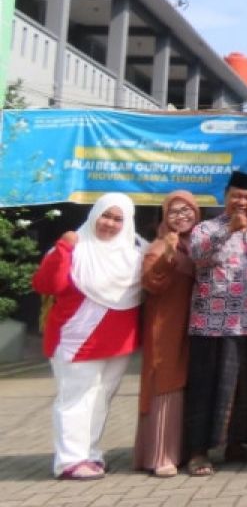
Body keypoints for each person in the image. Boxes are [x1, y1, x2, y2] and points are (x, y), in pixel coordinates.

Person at [32, 193, 144, 480]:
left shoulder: (137, 250)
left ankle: (90, 453)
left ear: (127, 222)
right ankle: (69, 461)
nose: (110, 223)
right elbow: (47, 284)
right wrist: (63, 249)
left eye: (118, 219)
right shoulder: (75, 245)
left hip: (119, 338)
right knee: (75, 397)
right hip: (76, 336)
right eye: (106, 215)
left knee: (101, 397)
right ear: (94, 215)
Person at [184, 171, 247, 477]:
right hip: (210, 324)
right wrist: (229, 231)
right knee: (205, 390)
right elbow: (196, 255)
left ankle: (237, 445)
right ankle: (197, 452)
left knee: (242, 390)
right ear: (225, 196)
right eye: (236, 195)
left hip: (246, 323)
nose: (242, 202)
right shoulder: (206, 228)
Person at [134, 191, 199, 478]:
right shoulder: (159, 246)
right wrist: (168, 256)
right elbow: (151, 283)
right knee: (165, 383)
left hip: (191, 326)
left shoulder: (196, 245)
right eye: (173, 211)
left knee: (185, 383)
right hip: (166, 327)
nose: (181, 216)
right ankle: (161, 454)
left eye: (187, 210)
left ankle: (181, 450)